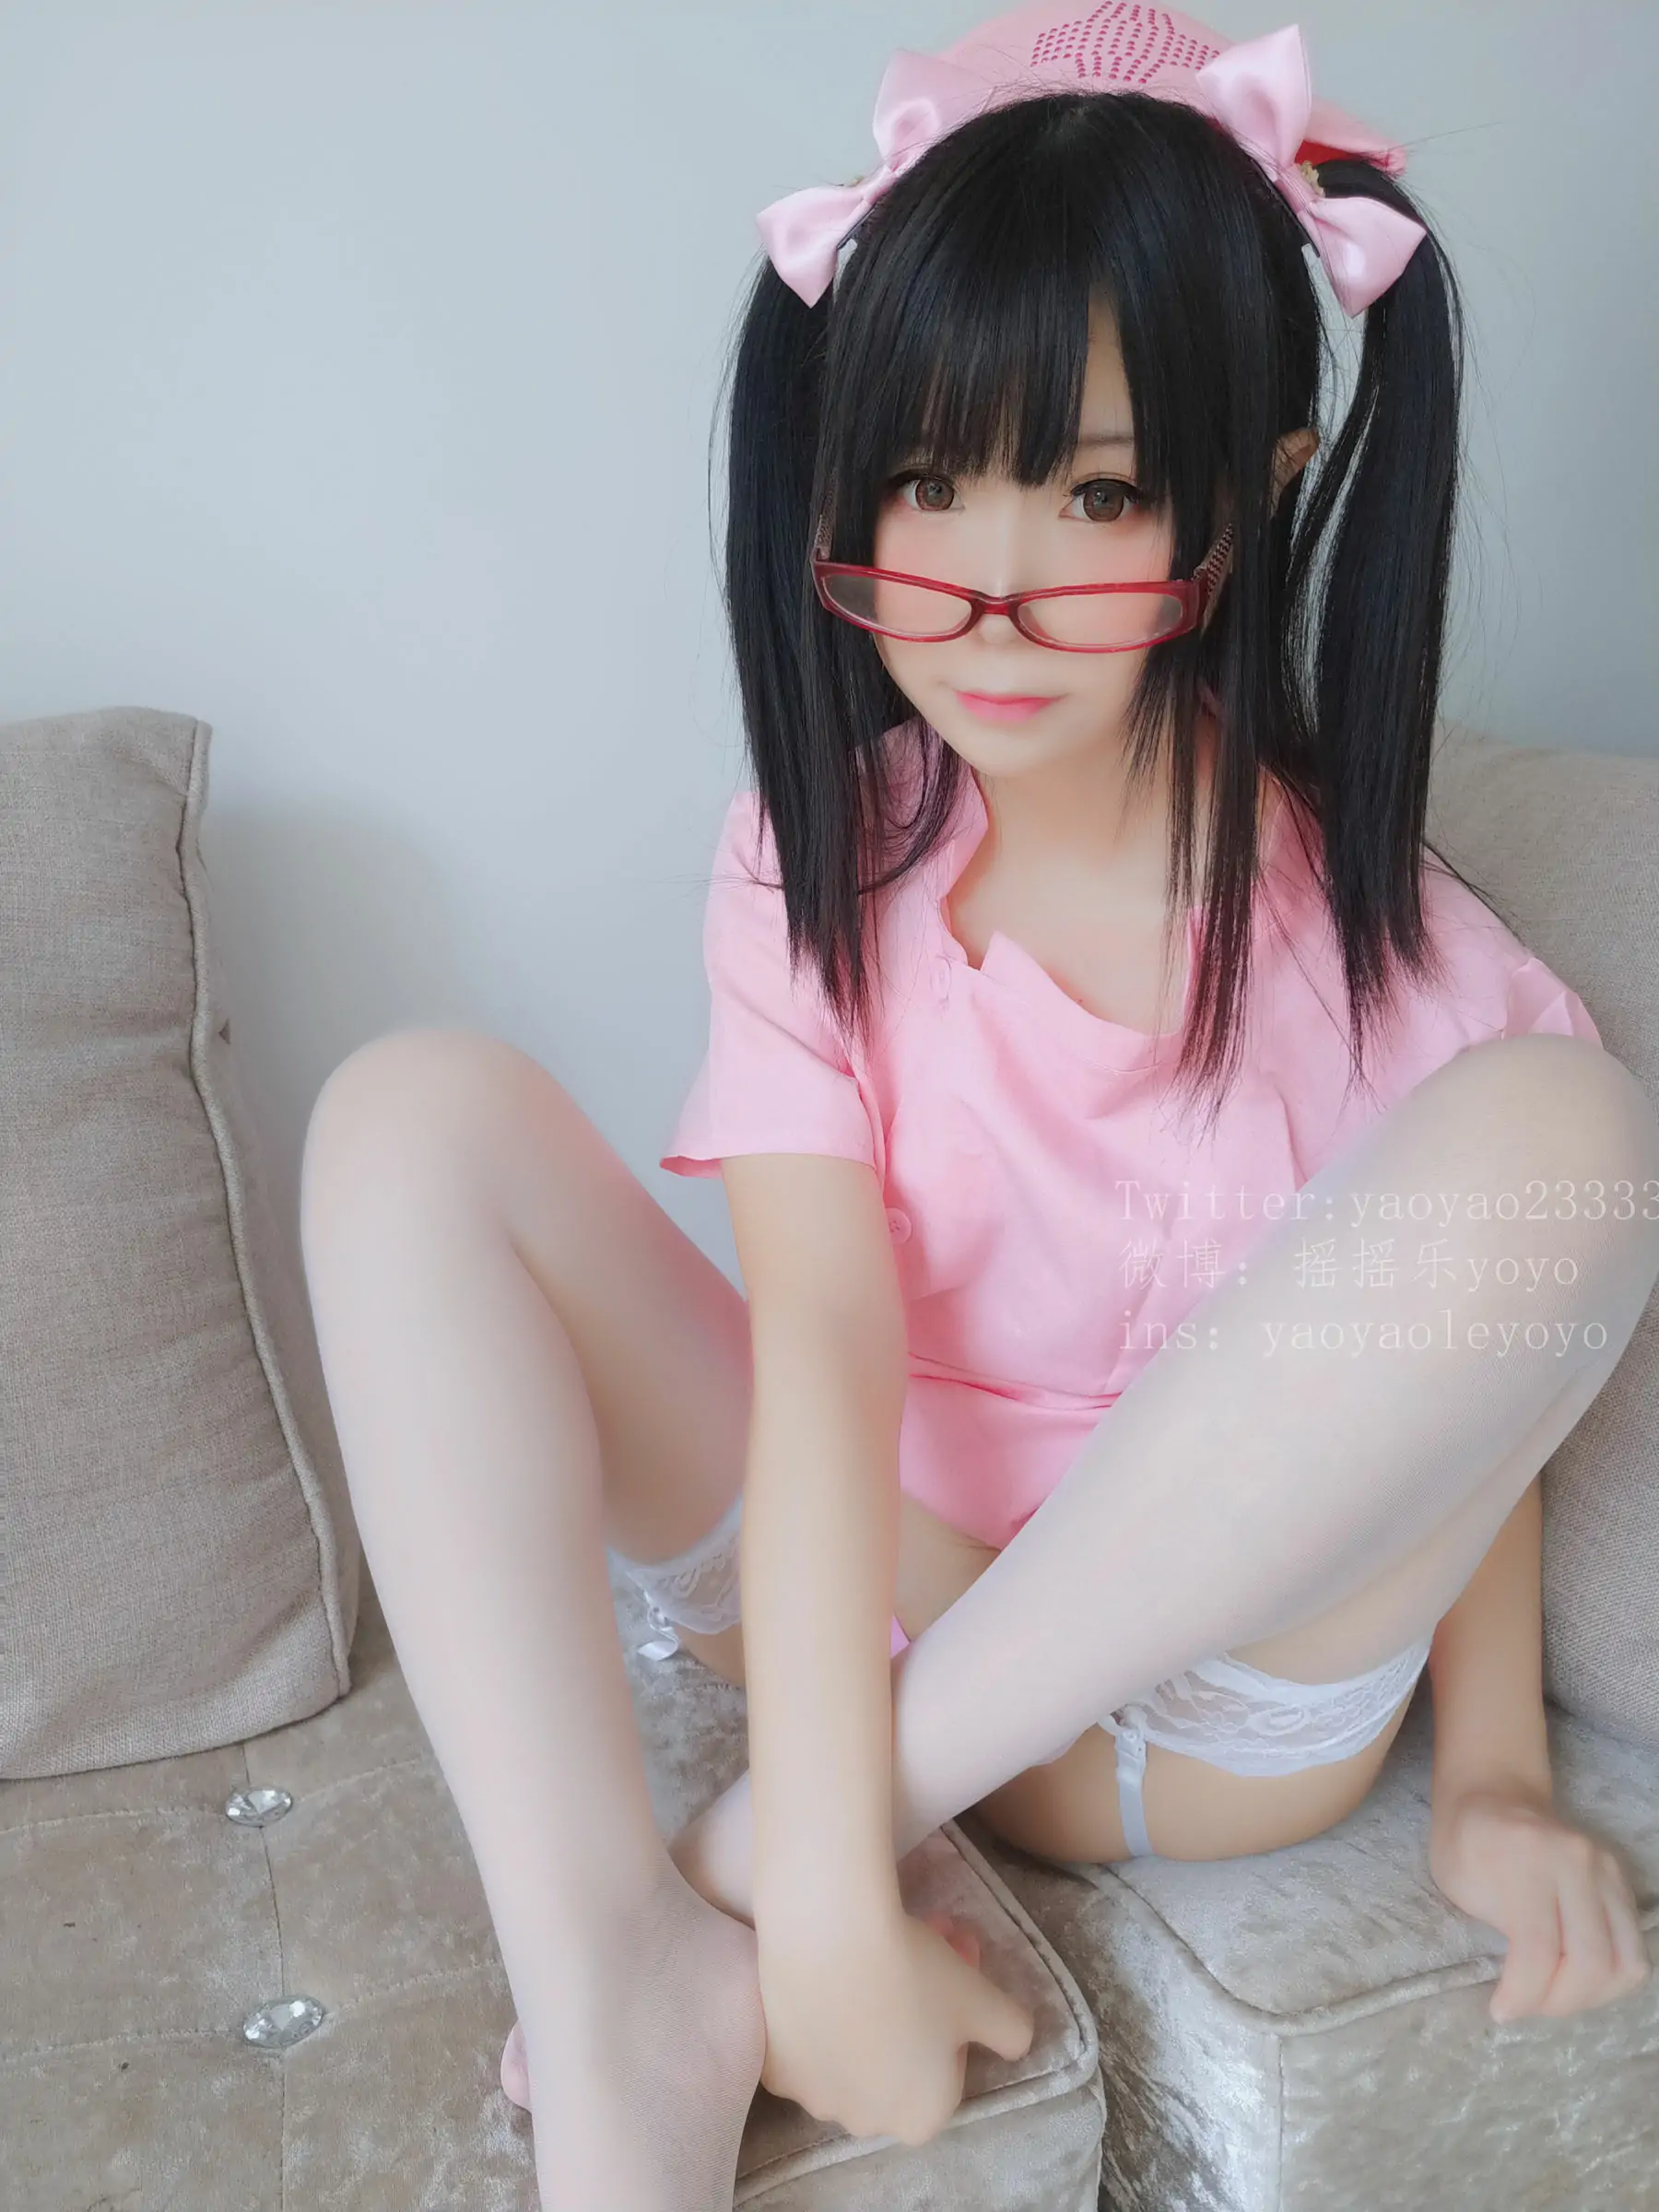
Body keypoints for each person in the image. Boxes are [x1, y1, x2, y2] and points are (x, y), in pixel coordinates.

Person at [298, 8, 1658, 2206]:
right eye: (927, 481)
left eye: (1096, 493)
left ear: (1256, 494)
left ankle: (752, 1849)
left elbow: (1466, 1416)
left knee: (1564, 1140)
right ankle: (618, 1961)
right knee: (406, 1118)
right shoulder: (819, 851)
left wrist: (1493, 1779)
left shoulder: (1403, 957)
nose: (986, 592)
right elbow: (825, 1346)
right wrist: (839, 1905)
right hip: (883, 1610)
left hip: (1214, 1705)